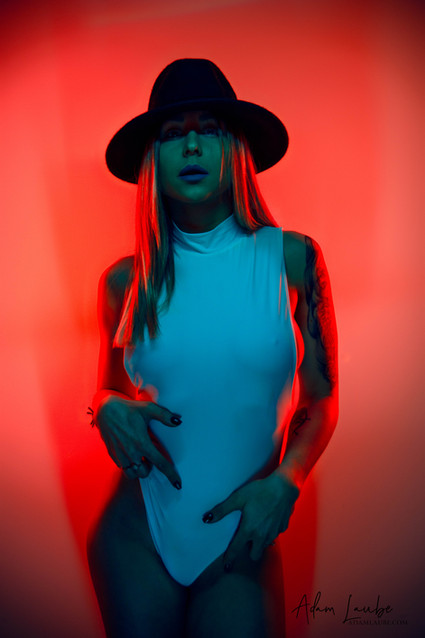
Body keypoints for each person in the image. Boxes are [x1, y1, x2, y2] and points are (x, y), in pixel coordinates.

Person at [87, 58, 338, 638]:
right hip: (136, 536)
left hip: (240, 539)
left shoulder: (293, 260)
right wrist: (103, 407)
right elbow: (109, 393)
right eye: (174, 134)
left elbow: (322, 396)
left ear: (236, 149)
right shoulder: (124, 282)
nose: (193, 146)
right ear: (153, 158)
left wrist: (287, 480)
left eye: (211, 129)